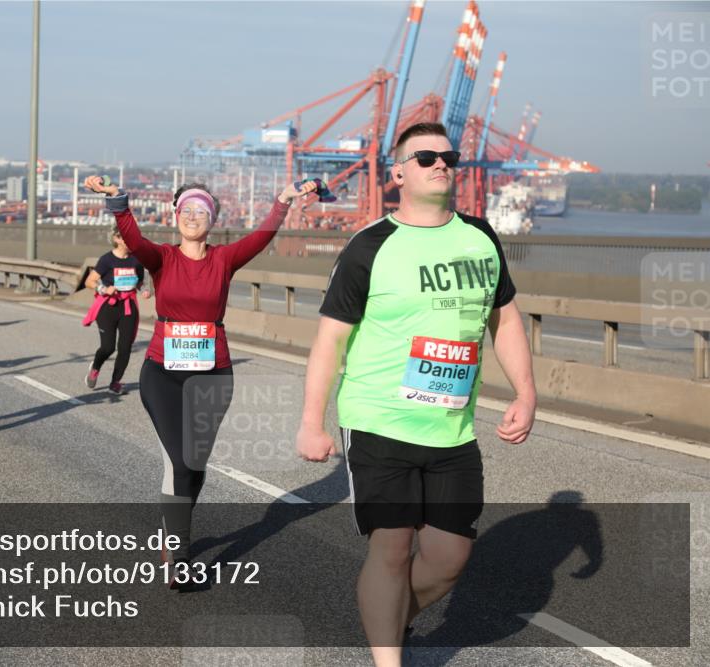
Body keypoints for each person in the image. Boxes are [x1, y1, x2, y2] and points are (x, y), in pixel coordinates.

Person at [295, 122, 537, 667]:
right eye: (425, 157)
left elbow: (505, 320)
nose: (440, 164)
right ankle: (389, 657)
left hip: (452, 426)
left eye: (448, 156)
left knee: (451, 557)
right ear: (397, 172)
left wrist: (526, 392)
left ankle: (388, 618)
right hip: (378, 419)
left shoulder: (481, 237)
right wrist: (313, 421)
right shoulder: (369, 245)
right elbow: (329, 340)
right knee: (393, 545)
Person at [84, 173, 319, 586]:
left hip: (213, 375)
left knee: (195, 466)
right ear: (177, 217)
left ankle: (171, 530)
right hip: (163, 373)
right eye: (186, 210)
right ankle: (179, 558)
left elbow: (261, 238)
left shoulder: (224, 259)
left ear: (211, 220)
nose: (193, 217)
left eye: (201, 211)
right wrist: (117, 200)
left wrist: (282, 200)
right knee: (179, 460)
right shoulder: (161, 258)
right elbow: (133, 239)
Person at [82, 225, 152, 394]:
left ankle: (115, 382)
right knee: (108, 348)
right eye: (126, 237)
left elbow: (139, 282)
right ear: (116, 239)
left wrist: (144, 291)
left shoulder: (136, 260)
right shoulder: (107, 260)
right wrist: (103, 290)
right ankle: (95, 367)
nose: (130, 241)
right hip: (108, 307)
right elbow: (89, 281)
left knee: (125, 347)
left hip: (128, 307)